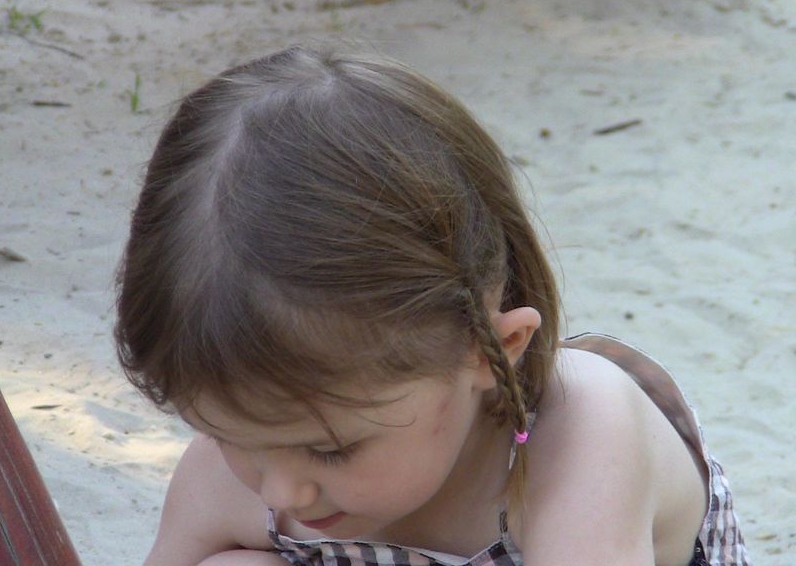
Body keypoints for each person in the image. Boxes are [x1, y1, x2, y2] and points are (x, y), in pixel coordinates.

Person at [114, 45, 750, 566]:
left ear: (490, 351)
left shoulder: (582, 436)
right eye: (234, 439)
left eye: (331, 450)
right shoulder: (246, 460)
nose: (281, 492)